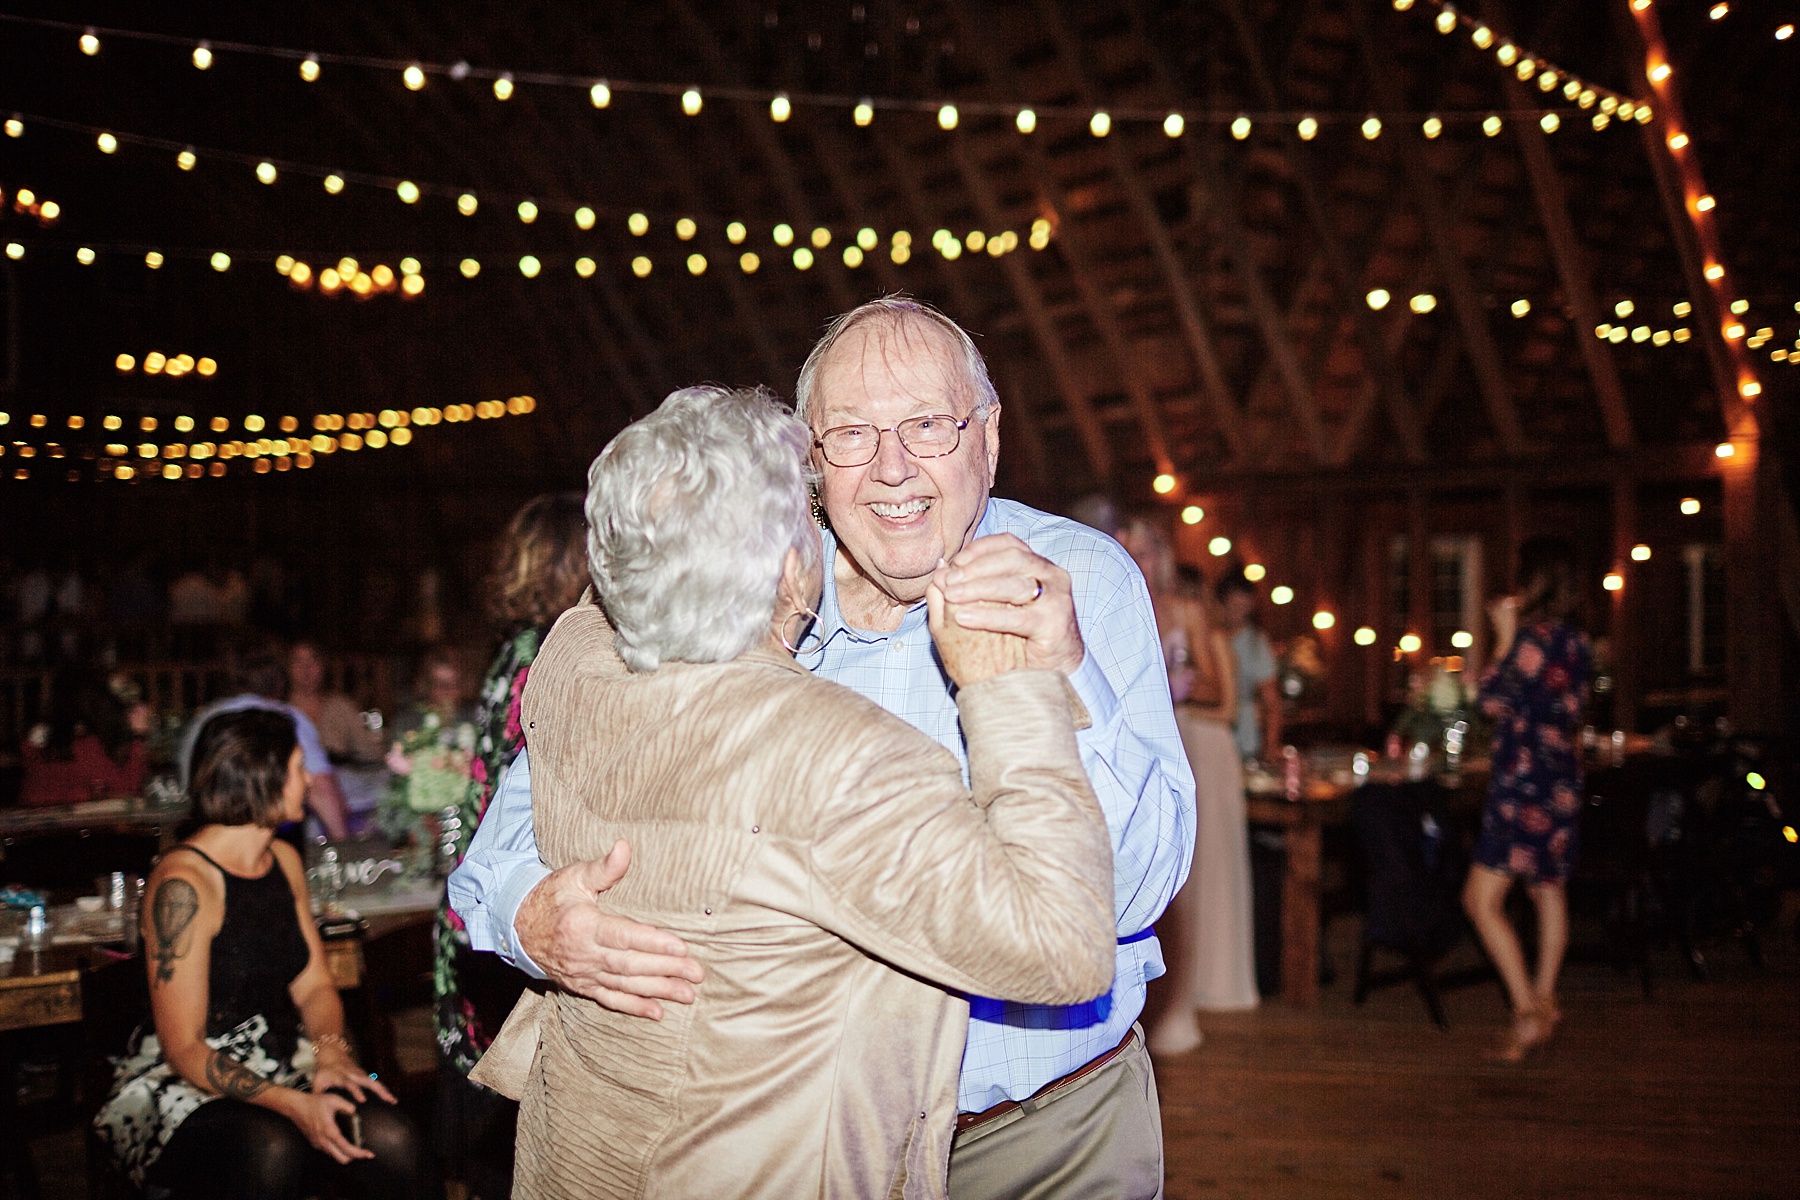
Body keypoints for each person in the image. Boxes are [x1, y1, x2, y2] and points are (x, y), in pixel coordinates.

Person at [452, 296, 1195, 1199]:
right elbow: (507, 841)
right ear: (810, 456)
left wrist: (1065, 673)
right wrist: (530, 919)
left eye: (928, 425)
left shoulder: (1080, 578)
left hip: (1046, 1125)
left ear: (988, 437)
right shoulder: (741, 599)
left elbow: (1138, 891)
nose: (893, 469)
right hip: (821, 1154)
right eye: (851, 434)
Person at [93, 709, 427, 1199]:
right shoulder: (184, 883)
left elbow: (313, 985)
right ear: (262, 780)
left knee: (394, 1138)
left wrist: (330, 1054)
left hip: (282, 1056)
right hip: (180, 1081)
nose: (309, 779)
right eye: (297, 768)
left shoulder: (285, 861)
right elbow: (182, 1047)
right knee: (271, 1148)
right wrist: (292, 1104)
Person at [434, 492, 590, 1200]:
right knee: (505, 1100)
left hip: (487, 880)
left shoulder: (517, 651)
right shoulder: (557, 652)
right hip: (511, 890)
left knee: (487, 1101)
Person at [1120, 521, 1258, 1059]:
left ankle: (1180, 1010)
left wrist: (1176, 681)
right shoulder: (1108, 599)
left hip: (1180, 743)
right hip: (1128, 751)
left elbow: (1220, 688)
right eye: (1127, 551)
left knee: (1185, 883)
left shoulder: (1187, 611)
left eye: (1146, 552)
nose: (1139, 562)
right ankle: (1139, 1012)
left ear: (1163, 557)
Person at [1462, 537, 1593, 1062]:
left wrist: (1502, 635)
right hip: (1561, 780)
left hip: (1523, 786)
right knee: (1547, 891)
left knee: (1480, 900)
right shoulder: (1577, 641)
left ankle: (1525, 1011)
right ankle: (1545, 998)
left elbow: (1490, 698)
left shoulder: (1531, 640)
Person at [179, 652, 351, 839]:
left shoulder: (203, 719)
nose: (307, 778)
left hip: (201, 830)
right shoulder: (282, 719)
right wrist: (343, 846)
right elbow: (322, 786)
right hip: (261, 833)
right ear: (280, 683)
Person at [19, 668, 150, 807]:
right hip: (70, 825)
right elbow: (127, 787)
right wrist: (139, 737)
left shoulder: (38, 737)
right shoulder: (84, 746)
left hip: (35, 820)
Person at [1218, 573, 1282, 764]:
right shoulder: (1206, 636)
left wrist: (1270, 747)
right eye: (1234, 607)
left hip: (1242, 738)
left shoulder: (1255, 643)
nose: (1239, 614)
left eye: (1244, 609)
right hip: (1206, 731)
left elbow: (1271, 701)